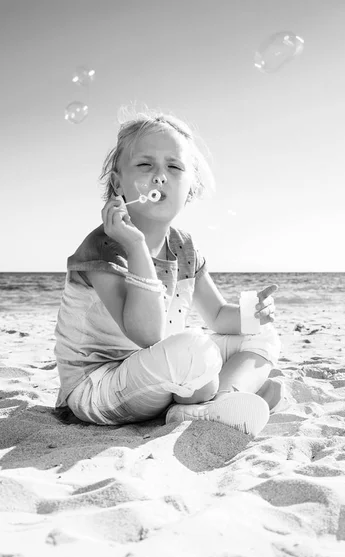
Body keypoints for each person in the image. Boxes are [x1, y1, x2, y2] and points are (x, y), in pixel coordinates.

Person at [53, 110, 282, 436]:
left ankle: (224, 400)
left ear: (190, 187)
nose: (160, 176)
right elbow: (145, 334)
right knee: (193, 350)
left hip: (162, 372)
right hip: (98, 385)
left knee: (262, 335)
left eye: (174, 167)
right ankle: (204, 401)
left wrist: (253, 314)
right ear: (118, 183)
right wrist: (134, 246)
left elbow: (216, 315)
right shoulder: (103, 246)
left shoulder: (184, 247)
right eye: (145, 165)